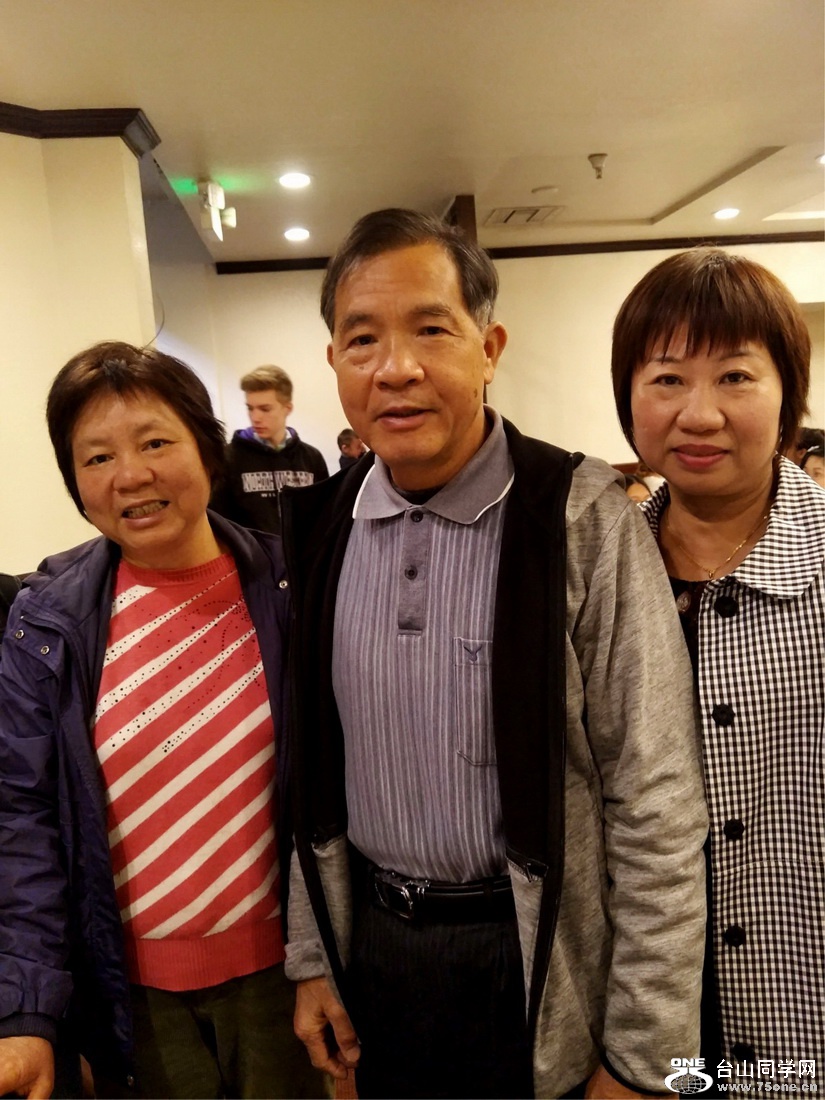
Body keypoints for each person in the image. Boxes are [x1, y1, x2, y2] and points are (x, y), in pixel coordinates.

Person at [281, 208, 707, 1099]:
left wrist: (644, 1058)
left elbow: (655, 797)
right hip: (377, 951)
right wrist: (313, 956)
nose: (395, 368)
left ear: (489, 347)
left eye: (431, 329)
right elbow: (313, 772)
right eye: (362, 339)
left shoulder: (577, 513)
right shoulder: (323, 527)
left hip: (533, 961)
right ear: (334, 363)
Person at [0, 343, 322, 1100]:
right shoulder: (46, 625)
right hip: (131, 999)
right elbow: (20, 822)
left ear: (206, 449)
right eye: (97, 457)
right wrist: (27, 1011)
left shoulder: (292, 590)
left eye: (154, 442)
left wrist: (328, 963)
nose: (130, 476)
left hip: (283, 981)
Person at [611, 248, 825, 1082]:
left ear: (788, 394)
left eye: (735, 377)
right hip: (645, 1014)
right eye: (666, 379)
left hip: (799, 1001)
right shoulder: (593, 575)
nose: (698, 414)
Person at [212, 364, 328, 534]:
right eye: (250, 408)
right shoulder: (228, 458)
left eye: (265, 409)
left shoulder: (311, 458)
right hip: (251, 551)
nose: (255, 417)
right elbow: (220, 522)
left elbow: (325, 516)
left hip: (305, 551)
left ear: (287, 409)